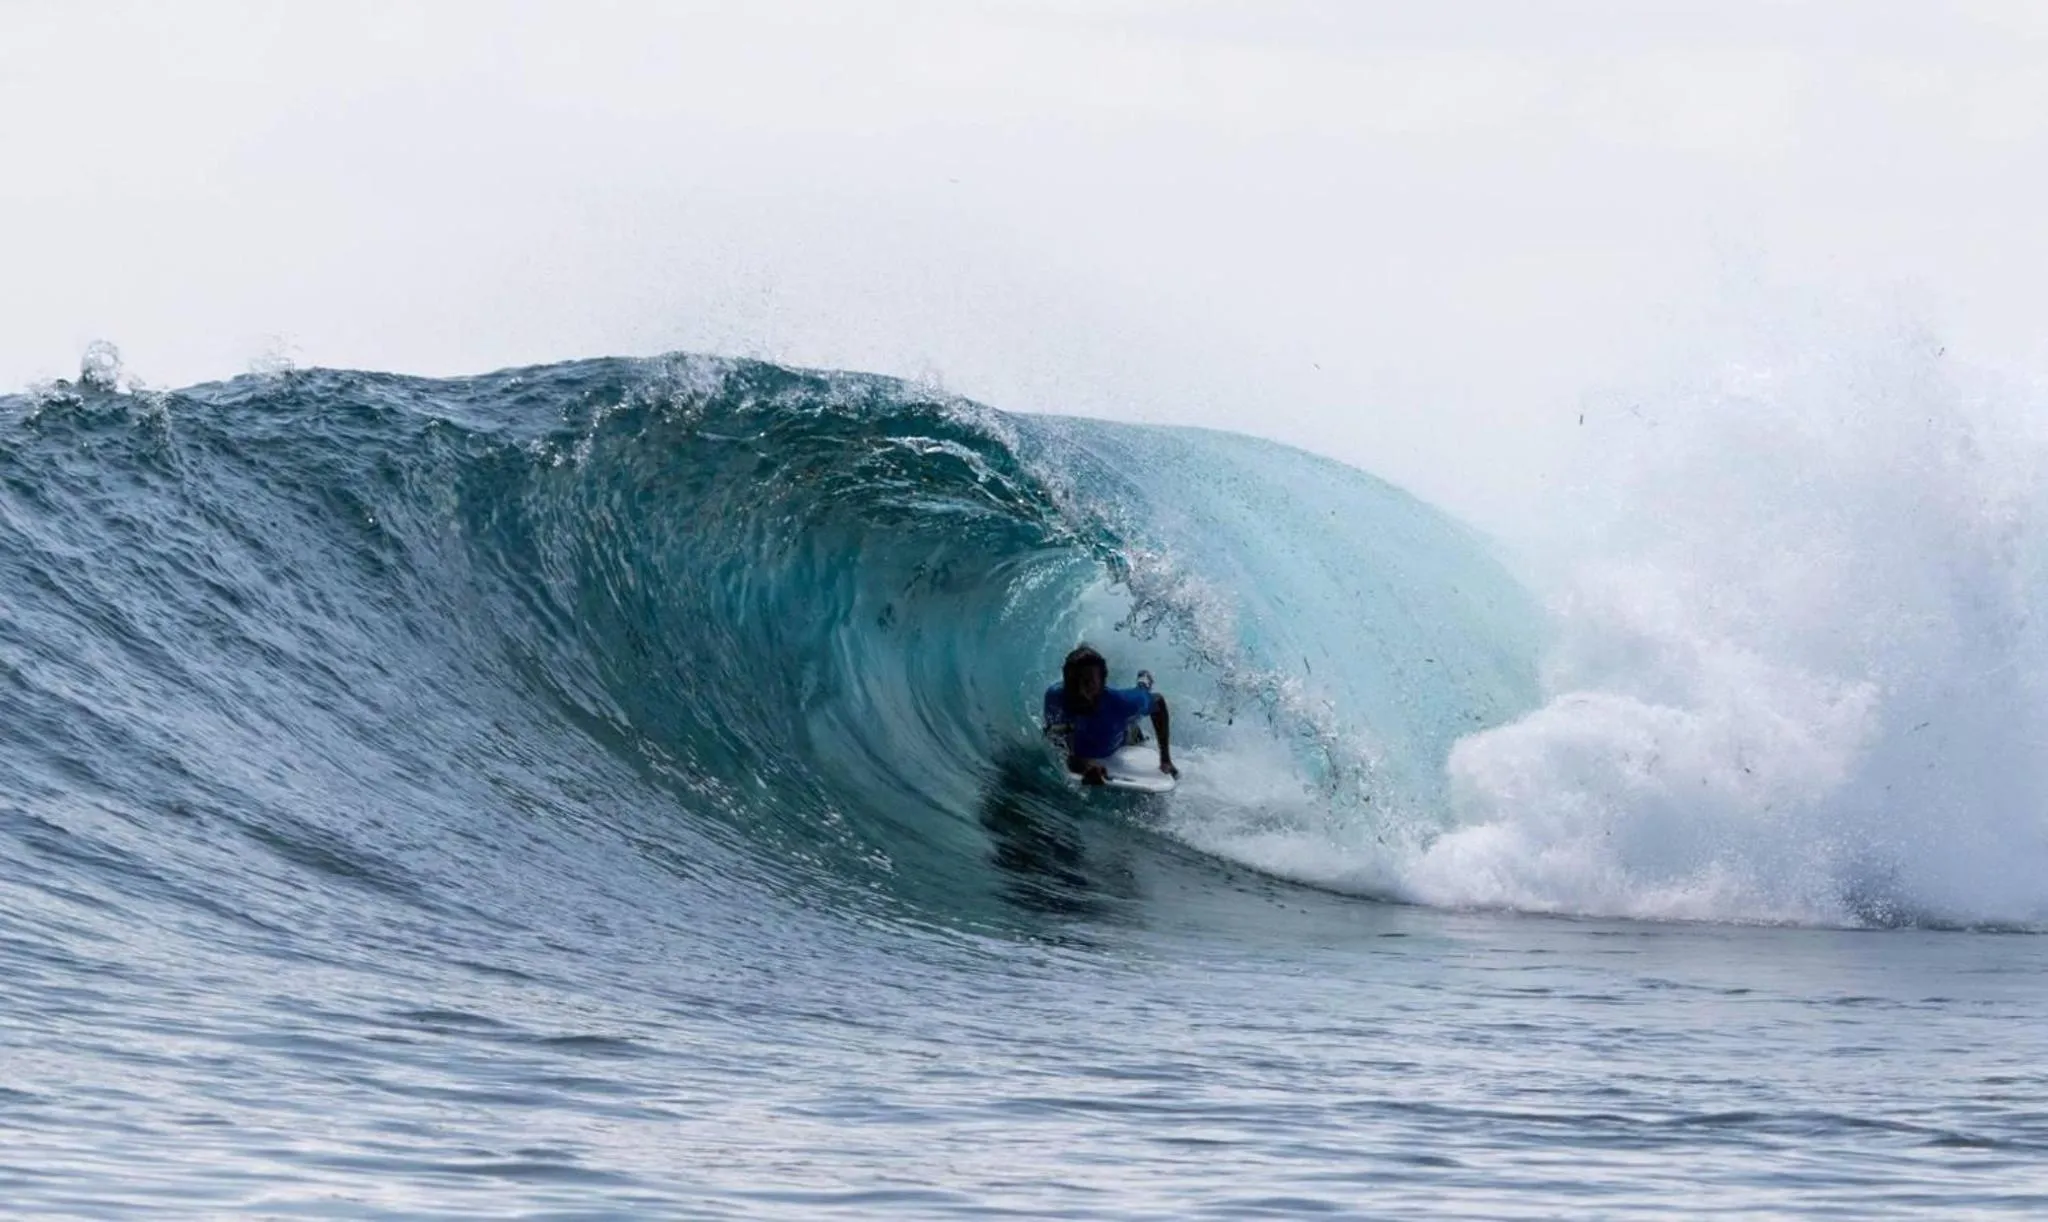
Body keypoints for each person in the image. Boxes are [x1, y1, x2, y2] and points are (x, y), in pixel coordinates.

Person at [1042, 644, 1177, 785]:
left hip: (1127, 735)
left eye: (1089, 683)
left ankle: (1143, 682)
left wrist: (1166, 759)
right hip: (1089, 736)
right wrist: (1082, 765)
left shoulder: (1121, 703)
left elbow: (1159, 702)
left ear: (1102, 683)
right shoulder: (1054, 696)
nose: (1080, 691)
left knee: (1141, 694)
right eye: (1073, 682)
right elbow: (1055, 739)